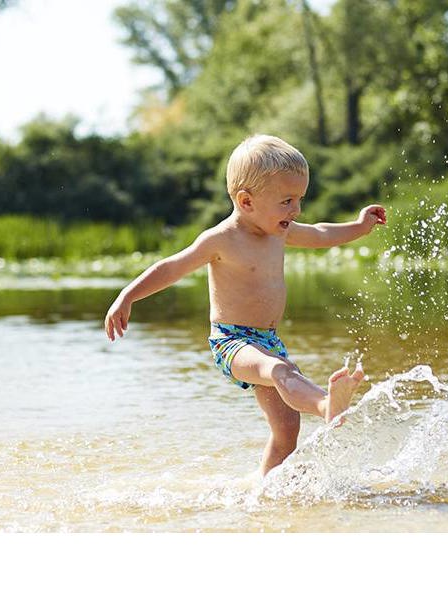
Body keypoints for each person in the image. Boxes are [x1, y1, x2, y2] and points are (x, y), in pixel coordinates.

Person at [104, 134, 387, 475]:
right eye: (287, 201)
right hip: (232, 341)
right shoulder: (221, 240)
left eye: (298, 199)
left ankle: (266, 495)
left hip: (267, 341)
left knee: (286, 429)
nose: (296, 210)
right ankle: (327, 404)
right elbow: (172, 267)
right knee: (282, 371)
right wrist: (127, 296)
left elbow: (321, 234)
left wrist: (359, 226)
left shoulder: (279, 231)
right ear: (247, 201)